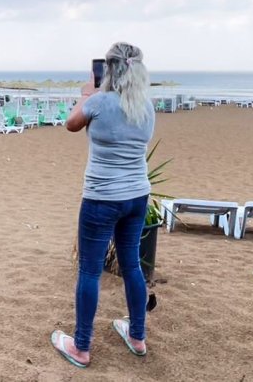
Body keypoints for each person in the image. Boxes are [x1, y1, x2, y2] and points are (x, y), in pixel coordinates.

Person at [51, 42, 156, 368]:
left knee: (90, 271)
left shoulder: (97, 102)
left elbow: (71, 124)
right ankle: (137, 336)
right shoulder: (146, 107)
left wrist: (86, 92)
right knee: (132, 267)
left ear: (108, 70)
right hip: (137, 196)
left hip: (101, 199)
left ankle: (81, 347)